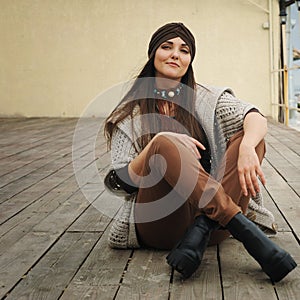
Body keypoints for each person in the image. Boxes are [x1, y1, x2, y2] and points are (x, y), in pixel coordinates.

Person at [104, 22, 297, 282]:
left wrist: (249, 147)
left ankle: (201, 230)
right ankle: (249, 234)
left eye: (184, 50)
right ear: (153, 54)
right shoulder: (131, 115)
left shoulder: (207, 98)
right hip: (160, 224)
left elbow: (254, 116)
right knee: (165, 143)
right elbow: (118, 184)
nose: (175, 54)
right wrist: (155, 146)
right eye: (166, 47)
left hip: (212, 227)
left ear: (190, 60)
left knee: (250, 139)